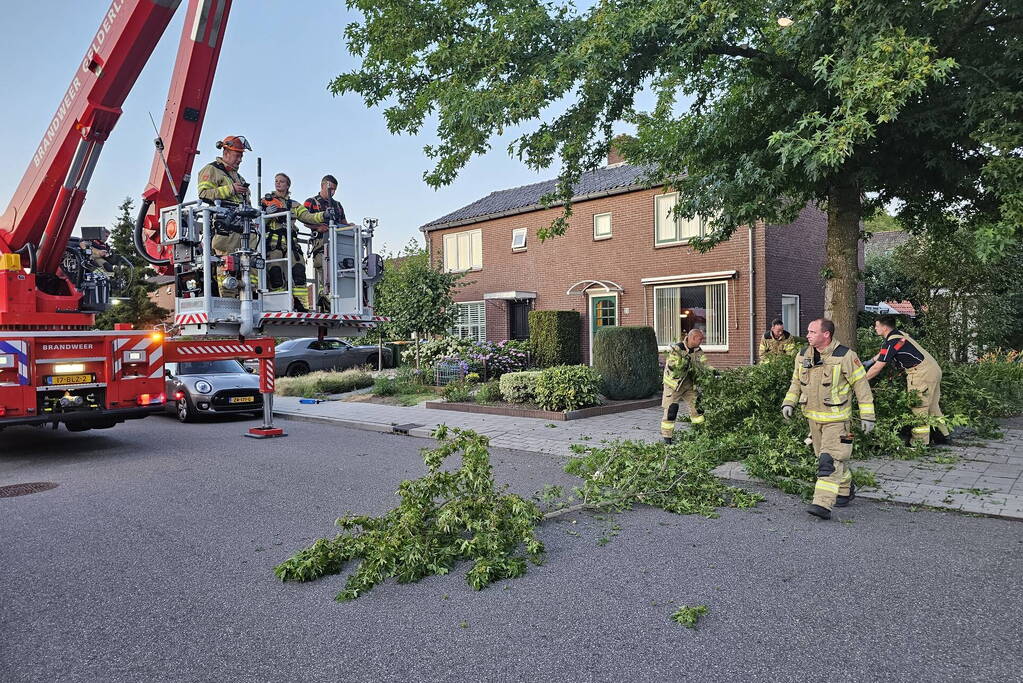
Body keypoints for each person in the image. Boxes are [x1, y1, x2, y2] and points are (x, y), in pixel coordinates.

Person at [782, 318, 875, 520]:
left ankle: (822, 504)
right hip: (813, 419)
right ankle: (845, 488)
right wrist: (788, 402)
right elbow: (796, 382)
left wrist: (868, 415)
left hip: (838, 420)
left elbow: (861, 386)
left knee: (828, 461)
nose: (807, 335)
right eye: (808, 331)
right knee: (829, 458)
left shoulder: (845, 356)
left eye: (812, 332)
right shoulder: (802, 354)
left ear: (826, 335)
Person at [864, 315, 950, 446]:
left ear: (885, 327)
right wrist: (871, 360)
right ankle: (943, 436)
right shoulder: (899, 335)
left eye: (877, 326)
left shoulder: (891, 342)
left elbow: (877, 368)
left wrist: (861, 381)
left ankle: (919, 443)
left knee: (919, 408)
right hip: (933, 369)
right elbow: (885, 353)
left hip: (920, 373)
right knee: (932, 405)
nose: (875, 328)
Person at [260, 172, 327, 310]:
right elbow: (256, 221)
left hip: (292, 245)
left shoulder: (294, 205)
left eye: (282, 181)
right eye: (276, 181)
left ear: (288, 185)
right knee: (275, 273)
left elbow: (308, 217)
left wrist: (323, 215)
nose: (278, 183)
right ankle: (277, 306)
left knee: (299, 272)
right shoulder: (265, 201)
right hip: (274, 246)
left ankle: (302, 305)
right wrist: (265, 213)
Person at [197, 135, 253, 298]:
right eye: (238, 155)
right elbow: (204, 194)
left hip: (243, 228)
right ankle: (227, 299)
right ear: (226, 152)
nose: (240, 159)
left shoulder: (239, 177)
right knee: (226, 265)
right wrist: (231, 190)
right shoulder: (211, 169)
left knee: (245, 265)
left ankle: (246, 296)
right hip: (223, 228)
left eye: (242, 155)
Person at [660, 328, 714, 442]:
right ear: (693, 338)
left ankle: (699, 433)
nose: (702, 341)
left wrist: (713, 371)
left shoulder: (698, 350)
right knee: (671, 411)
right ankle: (667, 438)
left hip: (689, 385)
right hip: (674, 386)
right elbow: (672, 365)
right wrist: (684, 363)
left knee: (698, 409)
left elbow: (704, 364)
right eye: (700, 339)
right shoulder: (677, 349)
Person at [303, 175, 347, 312]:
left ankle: (332, 300)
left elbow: (344, 223)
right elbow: (304, 220)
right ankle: (325, 300)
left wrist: (350, 226)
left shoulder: (337, 205)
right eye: (330, 189)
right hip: (321, 244)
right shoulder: (311, 202)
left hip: (338, 245)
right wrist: (317, 227)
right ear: (322, 186)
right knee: (325, 273)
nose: (332, 192)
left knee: (339, 272)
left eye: (334, 190)